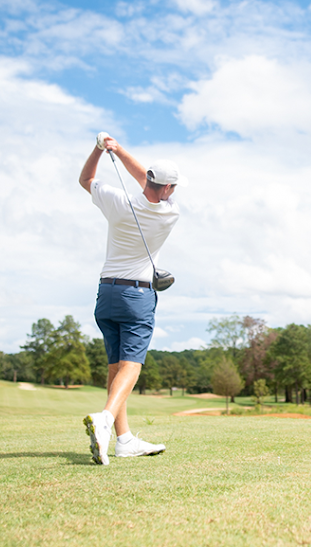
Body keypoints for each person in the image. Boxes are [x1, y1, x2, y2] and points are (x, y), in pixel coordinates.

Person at [78, 132, 182, 465]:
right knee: (132, 366)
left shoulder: (116, 200)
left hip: (106, 292)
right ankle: (106, 419)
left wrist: (103, 149)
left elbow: (86, 179)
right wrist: (120, 150)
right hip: (136, 295)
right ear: (168, 189)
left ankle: (123, 440)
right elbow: (147, 182)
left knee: (115, 367)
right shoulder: (169, 214)